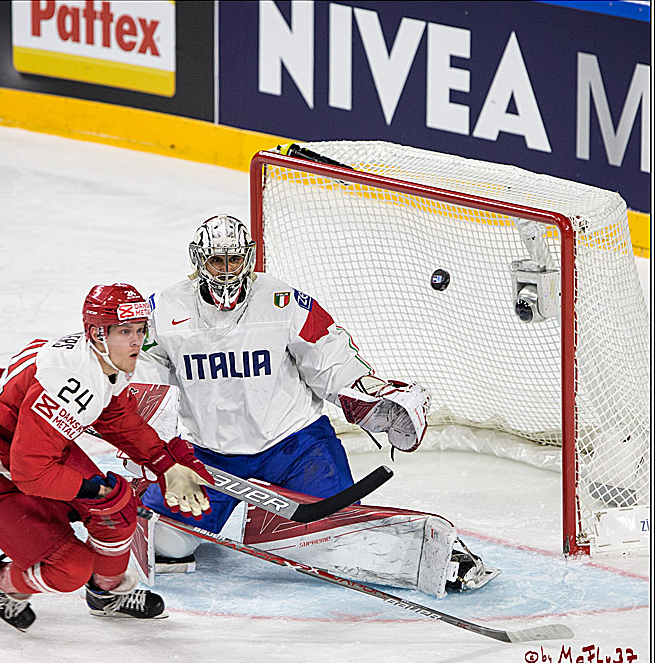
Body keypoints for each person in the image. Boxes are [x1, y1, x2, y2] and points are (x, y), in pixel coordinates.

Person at [134, 214, 495, 595]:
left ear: (249, 259)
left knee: (335, 534)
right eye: (216, 261)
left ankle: (444, 559)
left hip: (295, 445)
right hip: (210, 455)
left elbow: (329, 355)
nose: (226, 271)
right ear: (198, 260)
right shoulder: (163, 311)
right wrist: (149, 443)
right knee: (167, 543)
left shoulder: (281, 300)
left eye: (234, 260)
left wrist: (367, 395)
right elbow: (142, 375)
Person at [0, 282, 213, 631]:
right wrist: (94, 491)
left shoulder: (100, 358)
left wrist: (165, 463)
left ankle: (108, 593)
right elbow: (31, 472)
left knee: (117, 510)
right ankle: (1, 583)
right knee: (69, 568)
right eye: (125, 331)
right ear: (98, 333)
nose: (136, 341)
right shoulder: (69, 381)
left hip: (24, 442)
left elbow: (115, 417)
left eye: (140, 330)